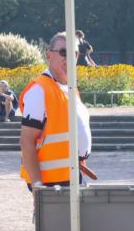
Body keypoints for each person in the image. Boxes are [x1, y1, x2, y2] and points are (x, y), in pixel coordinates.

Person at [19, 32, 94, 190]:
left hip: (70, 175)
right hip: (50, 181)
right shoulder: (40, 90)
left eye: (73, 53)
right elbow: (27, 141)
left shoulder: (70, 88)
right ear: (49, 55)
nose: (68, 57)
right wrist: (37, 185)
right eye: (63, 52)